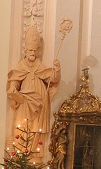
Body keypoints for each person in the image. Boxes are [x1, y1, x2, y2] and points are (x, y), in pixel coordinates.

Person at [6, 26, 61, 156]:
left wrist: (57, 68)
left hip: (40, 101)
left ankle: (33, 152)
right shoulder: (22, 65)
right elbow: (15, 78)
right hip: (24, 100)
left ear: (37, 52)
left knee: (36, 126)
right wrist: (13, 87)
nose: (32, 53)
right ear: (25, 51)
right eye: (30, 50)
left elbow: (52, 78)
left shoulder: (40, 66)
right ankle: (20, 151)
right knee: (21, 124)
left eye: (34, 50)